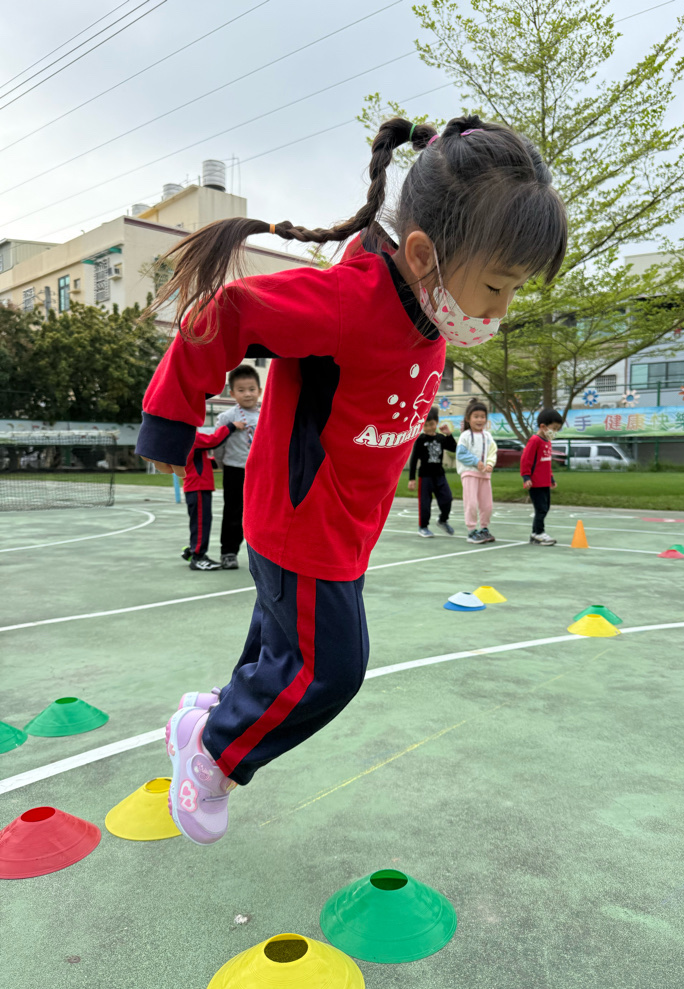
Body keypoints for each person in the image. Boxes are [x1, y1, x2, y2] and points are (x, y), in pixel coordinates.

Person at [136, 113, 567, 845]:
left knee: (282, 647)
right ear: (423, 254)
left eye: (515, 290)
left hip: (343, 529)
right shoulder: (352, 301)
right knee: (329, 669)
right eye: (497, 286)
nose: (501, 311)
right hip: (301, 524)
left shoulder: (426, 307)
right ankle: (212, 752)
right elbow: (229, 312)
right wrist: (168, 422)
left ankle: (207, 716)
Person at [213, 365, 262, 569]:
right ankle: (229, 552)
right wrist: (222, 464)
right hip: (235, 469)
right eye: (241, 390)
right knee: (233, 511)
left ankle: (263, 554)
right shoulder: (227, 417)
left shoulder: (266, 415)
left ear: (259, 390)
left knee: (262, 513)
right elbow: (218, 443)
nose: (247, 394)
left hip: (260, 472)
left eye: (251, 389)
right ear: (232, 393)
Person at [181, 419, 245, 570]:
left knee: (200, 522)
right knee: (201, 523)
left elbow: (202, 460)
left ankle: (192, 550)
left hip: (197, 486)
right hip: (197, 487)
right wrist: (231, 426)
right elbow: (214, 440)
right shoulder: (190, 437)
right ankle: (198, 557)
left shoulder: (185, 439)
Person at [407, 406, 457, 537]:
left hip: (439, 475)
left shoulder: (441, 438)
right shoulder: (420, 440)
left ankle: (443, 520)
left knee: (447, 499)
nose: (429, 428)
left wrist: (448, 434)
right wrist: (411, 479)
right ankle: (423, 527)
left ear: (437, 422)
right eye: (426, 425)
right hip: (425, 477)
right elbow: (414, 460)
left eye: (432, 424)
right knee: (425, 504)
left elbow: (454, 448)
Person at [456, 401, 498, 544]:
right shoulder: (465, 436)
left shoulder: (488, 436)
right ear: (468, 419)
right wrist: (476, 462)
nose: (480, 420)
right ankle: (471, 531)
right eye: (476, 416)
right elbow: (461, 454)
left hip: (484, 476)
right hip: (469, 474)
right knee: (471, 503)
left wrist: (490, 464)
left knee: (487, 505)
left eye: (482, 416)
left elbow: (492, 452)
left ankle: (484, 528)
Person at [520, 408, 564, 545]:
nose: (555, 432)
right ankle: (539, 533)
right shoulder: (535, 440)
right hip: (535, 483)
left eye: (557, 429)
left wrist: (551, 478)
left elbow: (546, 463)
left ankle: (535, 534)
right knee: (541, 509)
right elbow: (526, 460)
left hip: (545, 482)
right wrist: (526, 477)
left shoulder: (548, 442)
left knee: (545, 507)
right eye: (554, 428)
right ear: (543, 426)